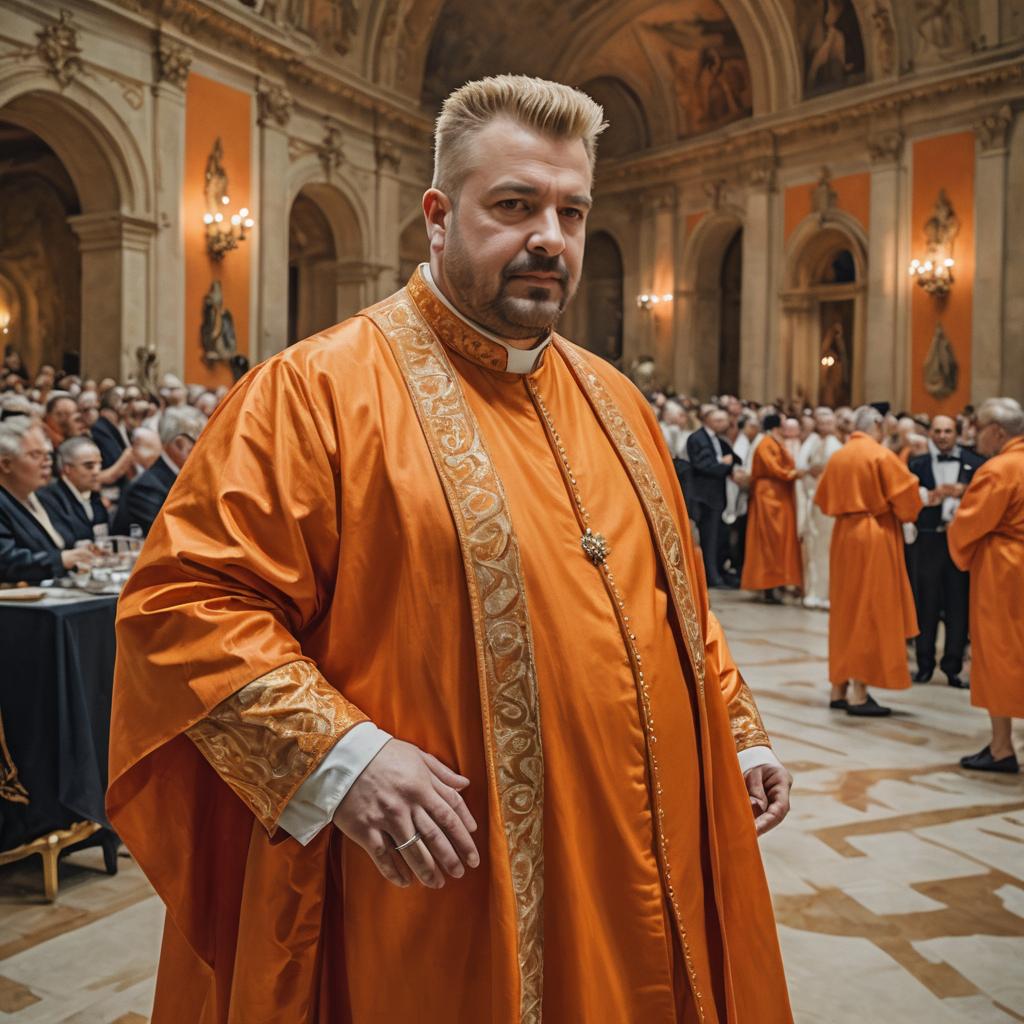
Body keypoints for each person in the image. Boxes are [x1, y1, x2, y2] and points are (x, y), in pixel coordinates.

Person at [108, 76, 793, 1024]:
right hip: (440, 899)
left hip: (647, 860)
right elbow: (185, 606)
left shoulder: (619, 403)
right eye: (513, 205)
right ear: (437, 216)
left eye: (571, 211)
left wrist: (734, 730)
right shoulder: (314, 392)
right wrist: (341, 758)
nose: (549, 237)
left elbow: (674, 605)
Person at [814, 405, 923, 716]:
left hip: (844, 535)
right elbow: (908, 499)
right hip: (874, 534)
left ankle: (839, 686)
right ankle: (859, 693)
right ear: (876, 424)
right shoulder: (879, 454)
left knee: (844, 610)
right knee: (869, 608)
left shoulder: (840, 455)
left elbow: (823, 500)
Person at [948, 397, 1024, 773]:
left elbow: (968, 524)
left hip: (1005, 569)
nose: (973, 435)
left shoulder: (999, 469)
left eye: (977, 428)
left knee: (999, 650)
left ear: (996, 431)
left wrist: (960, 546)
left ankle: (1001, 746)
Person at [907, 415, 983, 688]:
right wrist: (931, 496)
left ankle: (953, 665)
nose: (942, 436)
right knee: (925, 603)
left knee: (958, 604)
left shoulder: (976, 463)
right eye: (937, 431)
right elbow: (907, 500)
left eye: (948, 431)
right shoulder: (917, 464)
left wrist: (965, 492)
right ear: (930, 433)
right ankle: (924, 664)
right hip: (928, 541)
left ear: (957, 433)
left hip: (961, 543)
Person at [0, 417, 93, 582]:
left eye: (48, 454)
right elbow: (6, 562)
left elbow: (68, 540)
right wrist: (61, 560)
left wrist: (84, 551)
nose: (47, 462)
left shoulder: (45, 495)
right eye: (35, 455)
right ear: (6, 464)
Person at [112, 405, 205, 536]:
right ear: (179, 444)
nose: (206, 450)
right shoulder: (145, 488)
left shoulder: (186, 477)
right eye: (201, 443)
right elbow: (168, 536)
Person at [741, 412, 803, 602]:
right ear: (776, 427)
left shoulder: (775, 442)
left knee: (780, 540)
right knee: (769, 540)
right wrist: (794, 473)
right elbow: (774, 468)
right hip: (769, 496)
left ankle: (779, 582)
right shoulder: (766, 444)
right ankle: (768, 584)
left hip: (779, 494)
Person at [685, 405, 739, 588]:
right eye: (719, 420)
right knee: (708, 538)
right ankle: (710, 576)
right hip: (704, 496)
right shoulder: (697, 438)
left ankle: (715, 573)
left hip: (714, 495)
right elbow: (703, 465)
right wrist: (724, 465)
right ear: (709, 421)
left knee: (715, 537)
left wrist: (729, 464)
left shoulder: (715, 438)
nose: (724, 424)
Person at [797, 407, 841, 609]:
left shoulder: (837, 445)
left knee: (826, 548)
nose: (825, 426)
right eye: (821, 423)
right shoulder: (812, 442)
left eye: (828, 423)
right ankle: (812, 591)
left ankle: (826, 593)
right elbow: (802, 467)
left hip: (828, 504)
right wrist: (809, 471)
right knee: (811, 546)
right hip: (811, 499)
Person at [38, 436, 109, 544]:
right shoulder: (49, 498)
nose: (96, 472)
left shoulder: (94, 495)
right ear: (67, 469)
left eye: (99, 465)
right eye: (89, 466)